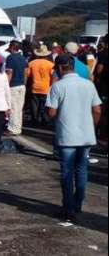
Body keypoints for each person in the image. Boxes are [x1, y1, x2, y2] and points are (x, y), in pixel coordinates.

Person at [46, 54, 102, 222]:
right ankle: (78, 204)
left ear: (61, 68)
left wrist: (57, 117)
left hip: (67, 135)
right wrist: (92, 126)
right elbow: (97, 110)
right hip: (86, 135)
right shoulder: (89, 85)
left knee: (67, 172)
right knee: (82, 170)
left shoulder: (57, 87)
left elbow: (51, 112)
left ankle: (68, 207)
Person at [5, 41, 28, 136]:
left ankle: (13, 128)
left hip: (13, 85)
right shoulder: (23, 58)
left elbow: (9, 73)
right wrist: (24, 84)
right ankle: (18, 127)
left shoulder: (10, 58)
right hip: (22, 85)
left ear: (12, 47)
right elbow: (26, 73)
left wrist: (6, 85)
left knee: (13, 107)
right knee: (19, 108)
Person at [28, 45, 55, 126]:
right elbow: (53, 76)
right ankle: (42, 119)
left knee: (34, 105)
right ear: (46, 55)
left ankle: (35, 120)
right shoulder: (51, 64)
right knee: (43, 105)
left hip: (34, 87)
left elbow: (28, 75)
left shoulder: (31, 63)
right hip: (46, 88)